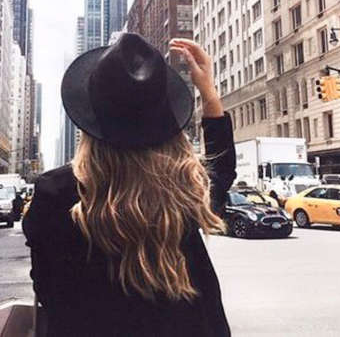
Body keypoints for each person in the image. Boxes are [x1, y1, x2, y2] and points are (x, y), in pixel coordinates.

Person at [23, 33, 236, 337]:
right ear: (165, 121)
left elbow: (46, 286)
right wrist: (209, 95)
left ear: (91, 119)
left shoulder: (56, 194)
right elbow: (221, 170)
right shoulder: (182, 189)